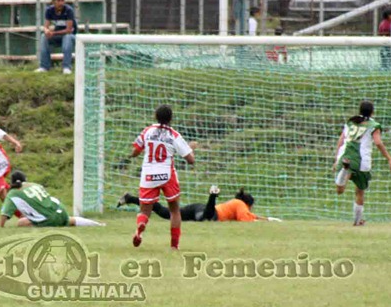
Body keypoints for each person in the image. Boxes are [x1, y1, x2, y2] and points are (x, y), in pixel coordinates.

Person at [130, 105, 195, 250]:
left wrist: (132, 155)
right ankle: (174, 246)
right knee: (174, 210)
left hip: (148, 174)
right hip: (166, 175)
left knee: (145, 210)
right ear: (171, 118)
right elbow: (190, 160)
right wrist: (191, 148)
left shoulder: (147, 131)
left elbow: (135, 150)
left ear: (155, 116)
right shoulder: (174, 135)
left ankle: (140, 228)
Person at [333, 100, 391, 226]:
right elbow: (378, 142)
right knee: (360, 190)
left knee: (340, 190)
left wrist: (336, 159)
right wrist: (389, 158)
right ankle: (357, 221)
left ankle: (345, 170)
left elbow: (341, 140)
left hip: (345, 155)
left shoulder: (351, 121)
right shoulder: (373, 125)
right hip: (361, 161)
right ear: (372, 112)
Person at [118, 186, 282, 222]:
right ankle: (212, 195)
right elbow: (246, 220)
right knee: (206, 218)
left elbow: (251, 217)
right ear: (249, 203)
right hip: (208, 211)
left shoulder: (238, 204)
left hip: (198, 207)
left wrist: (267, 219)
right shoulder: (240, 204)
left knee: (166, 213)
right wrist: (262, 221)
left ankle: (130, 198)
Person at [0, 170, 104, 227]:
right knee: (68, 220)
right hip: (61, 210)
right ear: (25, 179)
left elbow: (5, 214)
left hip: (48, 219)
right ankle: (98, 225)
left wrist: (1, 226)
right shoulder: (34, 184)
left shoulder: (13, 193)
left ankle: (47, 222)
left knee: (21, 223)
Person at [36, 0, 77, 74]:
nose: (61, 3)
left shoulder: (69, 10)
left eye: (62, 0)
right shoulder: (49, 10)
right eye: (58, 0)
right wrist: (47, 31)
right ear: (53, 2)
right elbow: (46, 26)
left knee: (67, 37)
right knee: (44, 36)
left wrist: (53, 33)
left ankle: (66, 67)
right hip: (57, 36)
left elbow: (69, 30)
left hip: (70, 36)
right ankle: (44, 67)